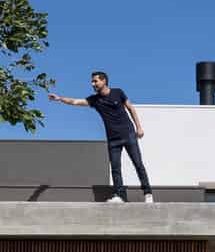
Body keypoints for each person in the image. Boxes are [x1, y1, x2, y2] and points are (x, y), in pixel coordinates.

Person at [49, 72, 154, 203]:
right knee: (115, 168)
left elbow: (131, 108)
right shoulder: (95, 100)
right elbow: (75, 101)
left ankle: (148, 193)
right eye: (92, 82)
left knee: (138, 164)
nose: (93, 84)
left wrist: (139, 127)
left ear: (104, 81)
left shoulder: (118, 92)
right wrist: (59, 98)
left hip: (128, 134)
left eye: (95, 81)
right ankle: (120, 196)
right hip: (113, 140)